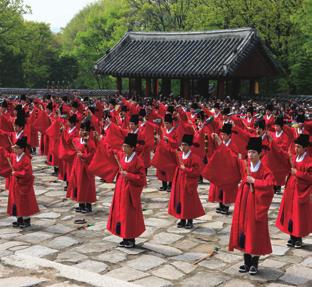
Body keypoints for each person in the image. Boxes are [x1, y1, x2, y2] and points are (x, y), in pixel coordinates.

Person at [229, 137, 274, 275]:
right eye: (249, 152)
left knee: (255, 233)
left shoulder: (265, 169)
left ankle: (254, 263)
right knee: (243, 231)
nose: (251, 155)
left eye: (254, 152)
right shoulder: (245, 166)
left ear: (260, 153)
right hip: (244, 203)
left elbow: (270, 185)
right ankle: (246, 262)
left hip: (257, 206)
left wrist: (255, 181)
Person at [107, 133, 146, 248]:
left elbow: (142, 179)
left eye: (126, 147)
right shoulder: (122, 156)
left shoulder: (138, 161)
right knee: (121, 213)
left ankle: (131, 239)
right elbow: (112, 150)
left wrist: (128, 175)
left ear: (133, 148)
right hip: (120, 190)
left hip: (130, 191)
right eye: (123, 146)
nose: (123, 148)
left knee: (129, 215)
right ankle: (124, 237)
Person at [276, 134, 312, 248]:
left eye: (299, 147)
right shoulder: (294, 158)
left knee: (298, 214)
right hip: (290, 189)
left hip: (300, 190)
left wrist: (297, 173)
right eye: (295, 146)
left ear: (305, 148)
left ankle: (298, 238)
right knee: (289, 212)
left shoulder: (309, 161)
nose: (296, 149)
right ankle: (292, 236)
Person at [168, 134, 205, 229]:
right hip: (179, 181)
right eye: (182, 145)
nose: (182, 147)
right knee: (180, 200)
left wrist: (186, 169)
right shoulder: (179, 155)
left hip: (189, 182)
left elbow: (197, 171)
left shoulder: (194, 157)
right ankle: (182, 219)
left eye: (185, 145)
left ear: (189, 146)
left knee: (188, 201)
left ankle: (190, 220)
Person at [7, 136, 39, 228]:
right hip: (15, 183)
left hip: (23, 183)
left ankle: (26, 220)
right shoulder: (13, 156)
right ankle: (19, 219)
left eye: (16, 148)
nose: (15, 150)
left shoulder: (26, 159)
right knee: (15, 201)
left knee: (24, 201)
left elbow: (27, 172)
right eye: (14, 147)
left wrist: (16, 173)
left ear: (22, 149)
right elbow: (7, 156)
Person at [67, 120, 96, 213]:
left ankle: (88, 205)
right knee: (78, 185)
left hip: (86, 167)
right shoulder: (76, 140)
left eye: (84, 130)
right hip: (78, 166)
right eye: (81, 129)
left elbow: (92, 154)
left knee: (87, 186)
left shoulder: (90, 142)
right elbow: (68, 141)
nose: (82, 132)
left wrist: (83, 155)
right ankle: (81, 204)